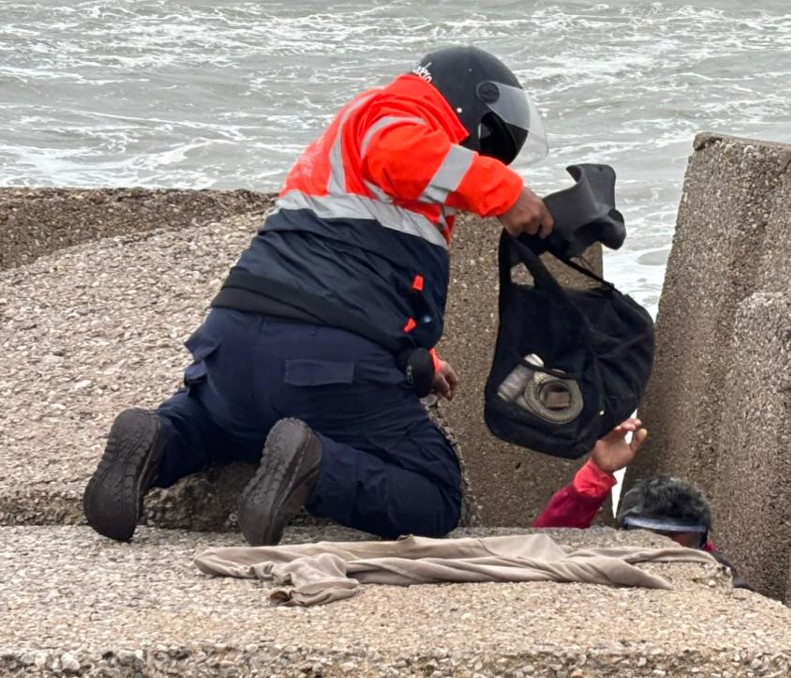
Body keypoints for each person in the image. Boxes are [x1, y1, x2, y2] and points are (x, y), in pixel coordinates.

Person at [83, 45, 554, 547]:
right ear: (472, 106)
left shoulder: (336, 159)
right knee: (435, 494)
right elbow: (396, 151)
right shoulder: (393, 114)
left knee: (218, 423)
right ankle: (315, 465)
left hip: (230, 345)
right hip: (323, 360)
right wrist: (505, 192)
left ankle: (160, 438)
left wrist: (421, 356)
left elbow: (343, 274)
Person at [533, 419, 749, 588]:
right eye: (649, 533)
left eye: (676, 536)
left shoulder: (719, 574)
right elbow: (546, 542)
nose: (661, 545)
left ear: (702, 541)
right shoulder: (606, 559)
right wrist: (598, 473)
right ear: (623, 533)